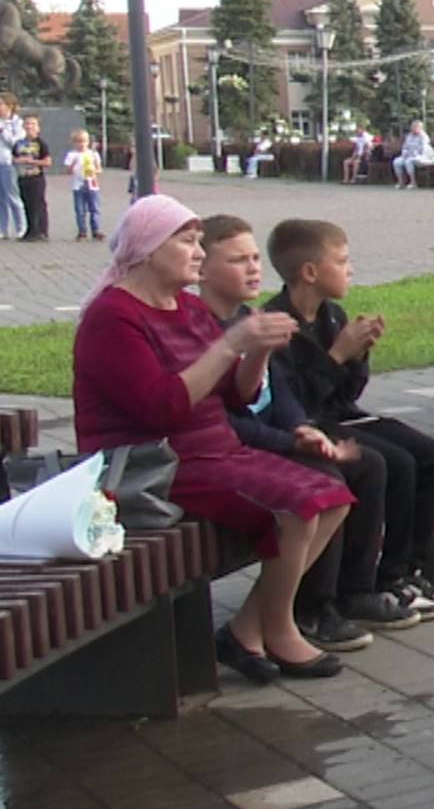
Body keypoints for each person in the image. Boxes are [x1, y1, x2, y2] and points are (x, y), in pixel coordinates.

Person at [74, 195, 353, 680]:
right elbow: (160, 409)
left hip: (212, 452)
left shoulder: (186, 307)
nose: (199, 253)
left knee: (332, 496)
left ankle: (247, 629)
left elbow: (236, 396)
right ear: (148, 249)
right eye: (187, 242)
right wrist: (230, 344)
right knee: (296, 509)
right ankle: (279, 629)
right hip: (151, 464)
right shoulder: (113, 317)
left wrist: (256, 350)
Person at [197, 215, 402, 655]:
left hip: (273, 435)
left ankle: (358, 589)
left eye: (255, 258)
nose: (253, 268)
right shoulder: (206, 328)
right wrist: (293, 439)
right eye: (237, 260)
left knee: (377, 462)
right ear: (202, 268)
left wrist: (300, 426)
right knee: (325, 483)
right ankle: (310, 607)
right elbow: (224, 416)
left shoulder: (253, 318)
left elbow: (280, 394)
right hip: (228, 452)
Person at [265, 217, 434, 617]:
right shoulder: (278, 325)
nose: (350, 269)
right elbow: (296, 405)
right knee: (392, 463)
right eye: (341, 261)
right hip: (312, 424)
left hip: (342, 414)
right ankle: (369, 583)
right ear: (310, 272)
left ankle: (412, 570)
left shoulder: (332, 315)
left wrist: (358, 355)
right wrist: (337, 355)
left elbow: (348, 394)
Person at [11, 112, 49, 241]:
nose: (29, 126)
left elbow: (47, 162)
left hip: (36, 177)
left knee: (37, 204)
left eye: (33, 124)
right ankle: (30, 229)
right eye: (27, 123)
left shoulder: (41, 144)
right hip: (23, 177)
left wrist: (32, 161)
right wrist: (18, 160)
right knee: (27, 204)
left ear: (38, 127)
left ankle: (41, 231)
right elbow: (13, 158)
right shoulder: (19, 144)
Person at [62, 128, 103, 241]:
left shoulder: (93, 154)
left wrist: (95, 171)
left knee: (95, 208)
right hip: (78, 185)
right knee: (80, 210)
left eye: (84, 141)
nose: (82, 144)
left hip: (92, 184)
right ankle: (82, 231)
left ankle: (96, 230)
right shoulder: (72, 155)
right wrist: (72, 164)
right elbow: (67, 171)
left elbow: (99, 169)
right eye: (78, 142)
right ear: (74, 143)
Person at [0, 93, 24, 238]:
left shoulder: (17, 123)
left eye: (1, 104)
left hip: (8, 163)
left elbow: (16, 143)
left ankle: (21, 227)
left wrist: (3, 131)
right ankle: (3, 229)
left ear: (10, 106)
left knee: (12, 195)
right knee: (0, 198)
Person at [392, 121, 434, 189]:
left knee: (408, 162)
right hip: (408, 155)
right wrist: (405, 153)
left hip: (423, 157)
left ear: (420, 128)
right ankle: (401, 182)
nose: (412, 128)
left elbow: (424, 148)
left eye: (415, 127)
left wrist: (414, 154)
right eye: (412, 127)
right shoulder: (409, 136)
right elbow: (405, 147)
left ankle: (413, 182)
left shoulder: (424, 137)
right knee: (396, 162)